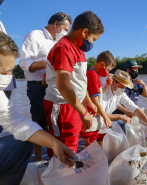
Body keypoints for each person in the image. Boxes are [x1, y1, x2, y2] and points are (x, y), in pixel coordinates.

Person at [0, 32, 75, 185]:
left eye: (11, 70)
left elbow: (17, 123)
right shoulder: (35, 36)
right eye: (6, 71)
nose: (10, 76)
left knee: (22, 142)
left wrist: (55, 144)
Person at [43, 11, 104, 157]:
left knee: (72, 142)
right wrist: (83, 112)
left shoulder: (79, 50)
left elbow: (80, 81)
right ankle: (61, 176)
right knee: (64, 146)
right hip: (62, 105)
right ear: (84, 32)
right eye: (93, 38)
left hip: (74, 103)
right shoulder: (64, 48)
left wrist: (87, 102)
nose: (92, 43)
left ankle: (68, 174)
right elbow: (63, 85)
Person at [19, 12, 72, 161]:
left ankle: (56, 157)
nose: (66, 33)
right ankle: (39, 160)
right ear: (56, 25)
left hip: (55, 86)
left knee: (57, 122)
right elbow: (24, 63)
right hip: (37, 87)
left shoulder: (60, 41)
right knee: (39, 123)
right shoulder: (35, 36)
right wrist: (46, 63)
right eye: (65, 29)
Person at [80, 51, 116, 146]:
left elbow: (97, 95)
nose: (108, 73)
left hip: (94, 117)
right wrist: (105, 117)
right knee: (90, 146)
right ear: (102, 65)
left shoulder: (94, 75)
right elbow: (95, 100)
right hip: (91, 117)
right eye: (108, 70)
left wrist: (107, 86)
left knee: (94, 144)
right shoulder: (92, 75)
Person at [113, 59, 147, 132]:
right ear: (128, 70)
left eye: (137, 69)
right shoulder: (118, 84)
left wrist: (144, 85)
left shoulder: (136, 83)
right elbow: (114, 102)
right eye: (135, 68)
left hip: (131, 114)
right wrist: (125, 112)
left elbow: (146, 95)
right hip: (118, 116)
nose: (136, 71)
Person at [0, 0, 17, 99]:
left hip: (4, 74)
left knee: (6, 103)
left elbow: (8, 51)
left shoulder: (1, 24)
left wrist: (9, 78)